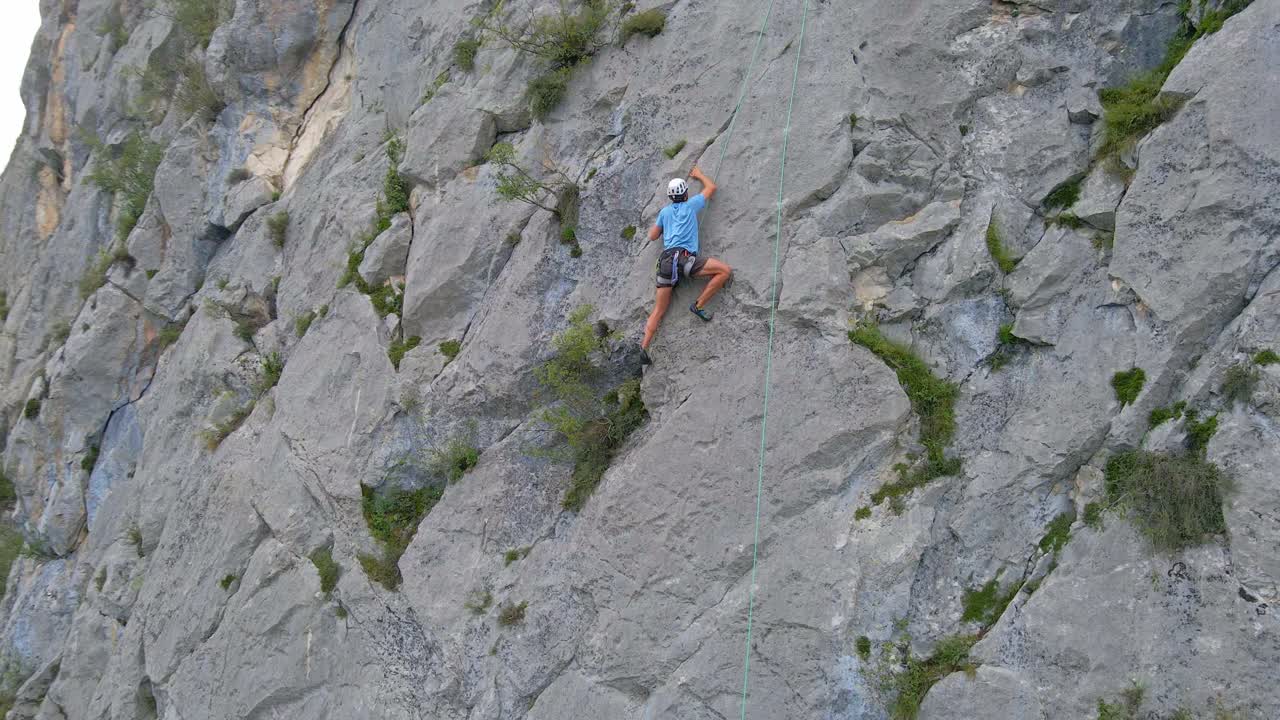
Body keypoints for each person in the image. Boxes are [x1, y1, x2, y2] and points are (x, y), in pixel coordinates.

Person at [639, 166, 732, 365]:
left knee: (659, 310)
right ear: (686, 194)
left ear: (670, 196)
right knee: (724, 271)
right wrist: (699, 175)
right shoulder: (691, 205)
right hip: (684, 258)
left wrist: (666, 226)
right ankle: (698, 306)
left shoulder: (664, 212)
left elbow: (653, 236)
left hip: (666, 261)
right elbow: (711, 188)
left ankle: (643, 348)